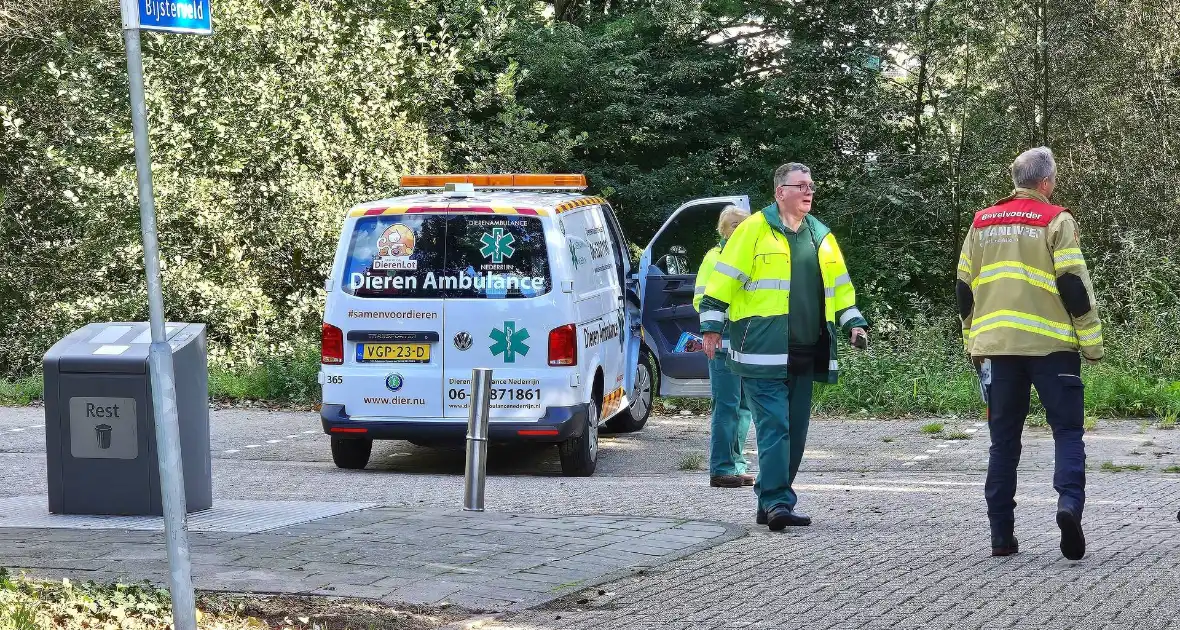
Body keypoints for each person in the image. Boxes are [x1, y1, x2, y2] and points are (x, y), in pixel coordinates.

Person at [698, 163, 868, 530]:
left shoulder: (821, 236)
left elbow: (841, 287)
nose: (809, 192)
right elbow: (722, 283)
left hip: (807, 349)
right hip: (761, 349)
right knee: (775, 425)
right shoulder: (754, 230)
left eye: (811, 186)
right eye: (801, 186)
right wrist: (711, 328)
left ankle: (770, 497)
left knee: (795, 430)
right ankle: (777, 502)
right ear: (780, 192)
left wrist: (853, 323)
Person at [956, 146, 1103, 561]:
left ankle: (1001, 537)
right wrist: (1091, 343)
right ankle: (1068, 505)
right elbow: (1073, 285)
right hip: (1052, 348)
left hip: (998, 350)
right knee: (1067, 433)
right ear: (1045, 182)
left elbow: (964, 289)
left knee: (1003, 444)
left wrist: (974, 340)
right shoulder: (1056, 219)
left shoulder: (981, 222)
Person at [694, 206, 755, 488]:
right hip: (723, 341)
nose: (737, 230)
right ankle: (721, 468)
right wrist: (717, 327)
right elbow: (701, 300)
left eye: (742, 225)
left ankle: (737, 464)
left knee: (744, 407)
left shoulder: (753, 258)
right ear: (722, 230)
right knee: (727, 405)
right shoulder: (714, 257)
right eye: (732, 225)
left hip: (749, 343)